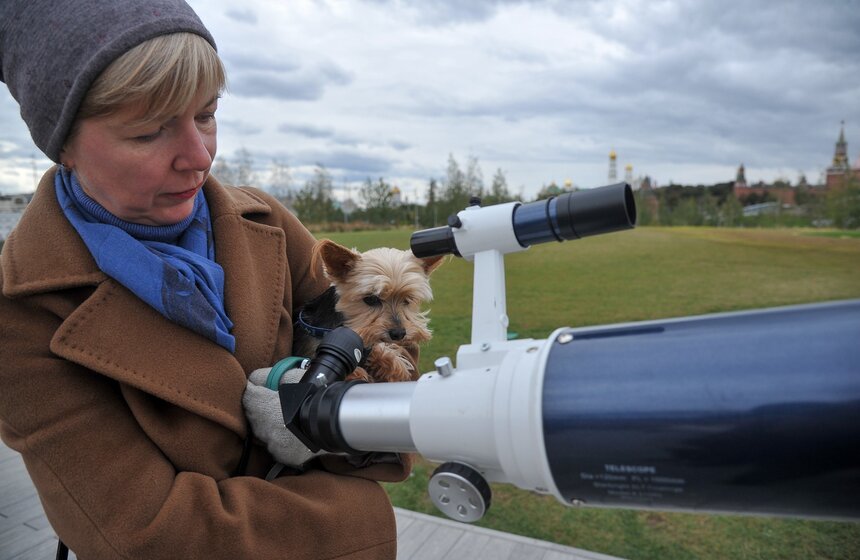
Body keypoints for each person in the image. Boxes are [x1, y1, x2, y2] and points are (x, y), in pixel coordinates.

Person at [0, 1, 410, 558]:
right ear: (62, 143)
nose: (199, 158)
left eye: (207, 115)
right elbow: (148, 538)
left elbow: (390, 383)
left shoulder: (267, 223)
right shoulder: (23, 313)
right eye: (148, 132)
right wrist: (359, 515)